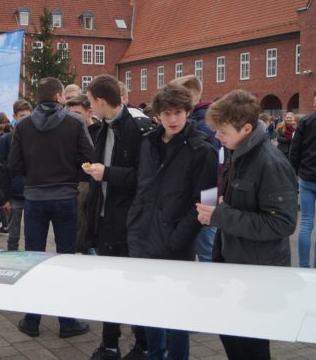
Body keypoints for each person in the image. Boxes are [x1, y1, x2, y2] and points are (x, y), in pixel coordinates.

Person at [197, 89, 297, 359]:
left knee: (250, 346)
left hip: (258, 272)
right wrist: (222, 204)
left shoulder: (270, 163)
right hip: (235, 263)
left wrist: (220, 215)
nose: (217, 136)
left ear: (247, 128)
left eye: (223, 131)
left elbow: (282, 224)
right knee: (231, 335)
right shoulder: (238, 152)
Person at [128, 84, 217, 360]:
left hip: (176, 242)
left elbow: (208, 203)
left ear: (188, 112)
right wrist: (135, 220)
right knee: (149, 308)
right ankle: (154, 354)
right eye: (167, 113)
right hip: (144, 237)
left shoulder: (202, 150)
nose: (173, 119)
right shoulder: (148, 143)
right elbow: (142, 186)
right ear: (158, 115)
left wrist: (178, 238)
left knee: (178, 312)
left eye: (178, 112)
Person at [9, 77, 93, 339]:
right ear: (60, 97)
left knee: (34, 258)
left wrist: (31, 183)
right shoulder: (75, 122)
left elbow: (13, 165)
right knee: (65, 260)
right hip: (66, 197)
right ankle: (67, 321)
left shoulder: (23, 125)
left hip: (35, 199)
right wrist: (71, 178)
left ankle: (32, 318)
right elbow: (88, 159)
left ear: (38, 98)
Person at [82, 75, 148, 360]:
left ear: (100, 101)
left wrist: (106, 173)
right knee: (109, 287)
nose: (89, 107)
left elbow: (143, 178)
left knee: (133, 288)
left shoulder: (136, 129)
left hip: (129, 224)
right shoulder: (101, 130)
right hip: (104, 219)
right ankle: (109, 344)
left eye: (90, 101)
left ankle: (142, 345)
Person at [170, 75, 219, 263]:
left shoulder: (202, 125)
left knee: (206, 249)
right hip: (204, 198)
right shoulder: (206, 120)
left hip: (202, 201)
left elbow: (210, 171)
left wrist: (206, 209)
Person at [290, 84, 316, 269]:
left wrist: (297, 171)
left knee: (306, 222)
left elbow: (295, 151)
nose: (314, 100)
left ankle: (304, 266)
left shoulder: (307, 121)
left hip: (307, 178)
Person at [0, 99, 32, 251]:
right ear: (15, 116)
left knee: (33, 234)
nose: (25, 119)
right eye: (22, 115)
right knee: (13, 235)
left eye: (27, 115)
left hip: (32, 191)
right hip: (14, 193)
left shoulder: (35, 137)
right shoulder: (5, 140)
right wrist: (5, 197)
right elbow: (2, 169)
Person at [66, 94, 95, 254]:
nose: (72, 118)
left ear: (89, 112)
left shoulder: (99, 131)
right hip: (75, 183)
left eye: (76, 114)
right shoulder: (69, 133)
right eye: (69, 114)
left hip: (91, 183)